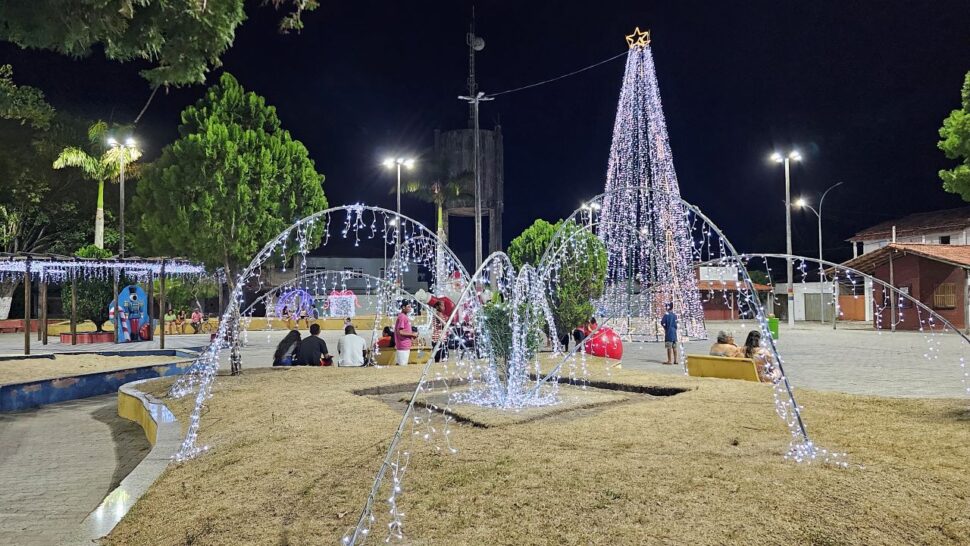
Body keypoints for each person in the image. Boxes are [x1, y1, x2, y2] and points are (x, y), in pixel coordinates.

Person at [394, 301, 418, 366]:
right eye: (408, 306)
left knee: (401, 364)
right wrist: (412, 334)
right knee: (403, 366)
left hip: (404, 345)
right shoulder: (402, 317)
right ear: (403, 307)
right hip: (403, 345)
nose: (410, 308)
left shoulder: (403, 316)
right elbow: (400, 332)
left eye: (410, 306)